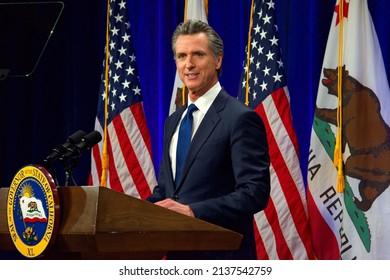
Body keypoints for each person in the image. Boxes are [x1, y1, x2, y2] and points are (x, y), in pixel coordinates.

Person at [147, 20, 270, 260]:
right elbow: (167, 191)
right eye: (181, 56)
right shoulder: (173, 122)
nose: (188, 64)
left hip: (222, 257)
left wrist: (193, 211)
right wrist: (133, 214)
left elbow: (255, 191)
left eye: (198, 55)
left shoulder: (240, 118)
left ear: (218, 60)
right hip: (177, 256)